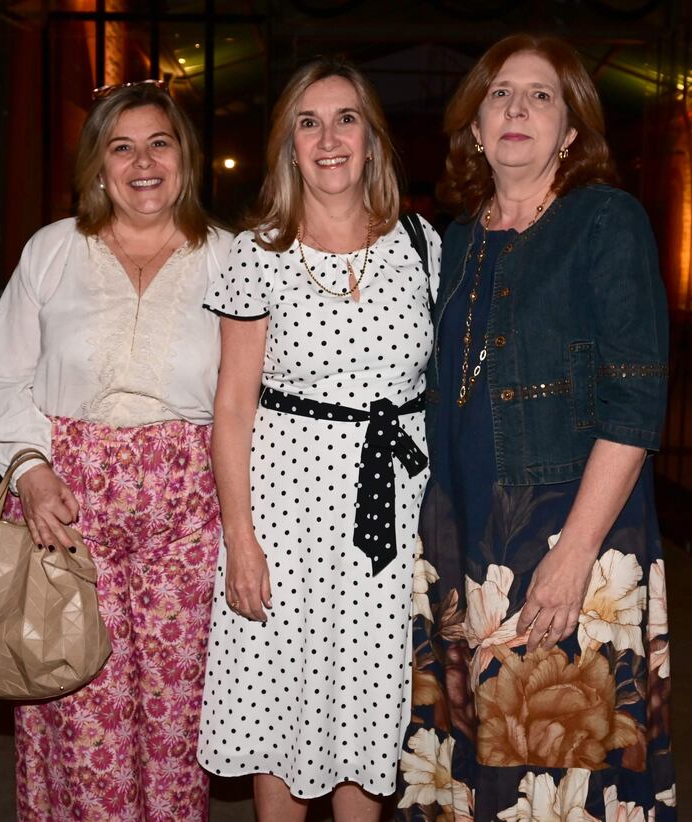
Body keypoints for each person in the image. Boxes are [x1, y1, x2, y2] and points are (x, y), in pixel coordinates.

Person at [396, 34, 676, 821]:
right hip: (464, 540)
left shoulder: (604, 222)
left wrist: (574, 555)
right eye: (499, 94)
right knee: (476, 768)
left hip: (568, 536)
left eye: (541, 95)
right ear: (475, 128)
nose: (517, 108)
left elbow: (635, 401)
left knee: (561, 773)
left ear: (571, 131)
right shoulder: (457, 239)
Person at [0, 81, 232, 822]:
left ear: (187, 158)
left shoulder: (230, 258)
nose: (143, 162)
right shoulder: (54, 251)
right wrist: (29, 469)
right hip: (68, 505)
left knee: (179, 715)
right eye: (123, 147)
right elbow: (5, 371)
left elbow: (255, 394)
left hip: (192, 513)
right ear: (98, 166)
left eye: (160, 143)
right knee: (78, 703)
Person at [196, 57, 440, 821]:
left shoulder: (422, 245)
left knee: (367, 698)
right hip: (283, 514)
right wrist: (240, 539)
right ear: (288, 145)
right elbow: (232, 406)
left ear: (372, 140)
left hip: (392, 517)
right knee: (281, 700)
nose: (328, 137)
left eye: (346, 119)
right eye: (309, 122)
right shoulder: (257, 252)